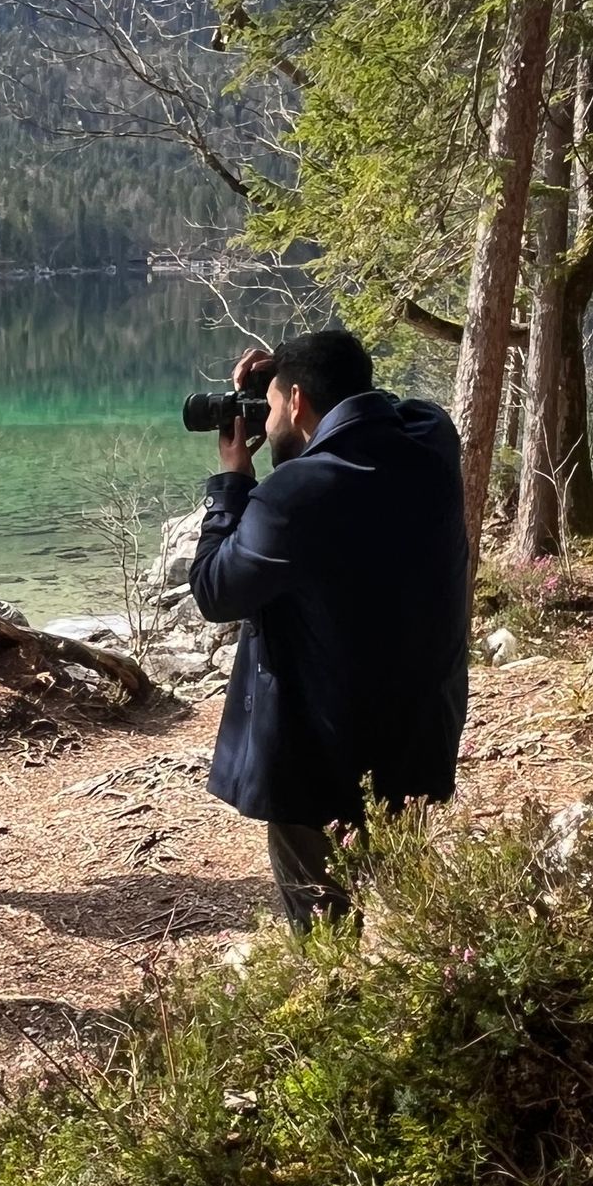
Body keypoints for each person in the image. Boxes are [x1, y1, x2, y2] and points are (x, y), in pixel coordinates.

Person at [189, 326, 469, 930]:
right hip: (417, 741)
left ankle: (334, 988)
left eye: (268, 407)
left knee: (325, 931)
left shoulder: (292, 496)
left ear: (296, 402)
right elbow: (380, 404)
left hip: (318, 764)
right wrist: (297, 373)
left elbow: (214, 590)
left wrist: (233, 480)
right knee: (404, 912)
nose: (263, 421)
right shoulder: (432, 441)